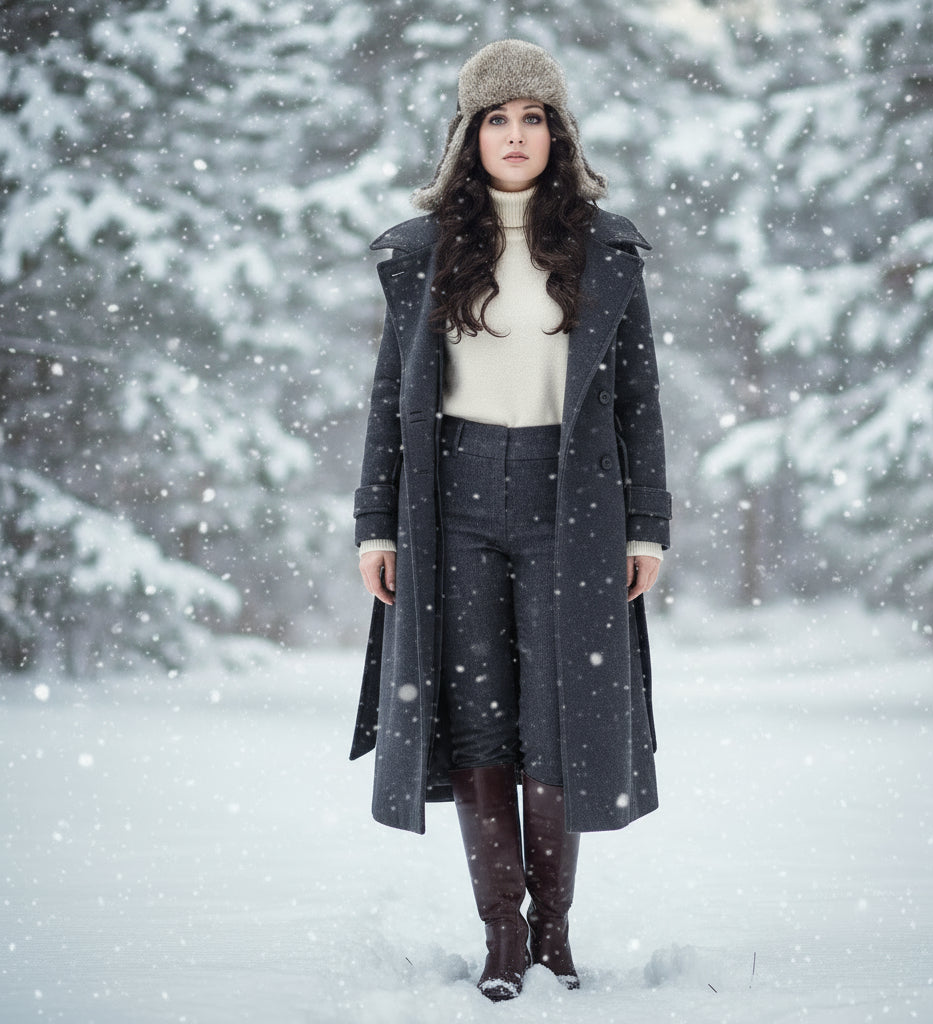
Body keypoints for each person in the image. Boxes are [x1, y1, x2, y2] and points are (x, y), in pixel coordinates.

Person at [350, 39, 671, 1002]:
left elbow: (638, 403)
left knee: (561, 716)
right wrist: (377, 524)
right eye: (499, 118)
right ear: (470, 135)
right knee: (476, 714)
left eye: (535, 118)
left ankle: (555, 931)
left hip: (571, 500)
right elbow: (387, 399)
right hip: (449, 500)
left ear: (559, 133)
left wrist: (645, 526)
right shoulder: (425, 254)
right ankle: (501, 935)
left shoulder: (605, 250)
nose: (517, 135)